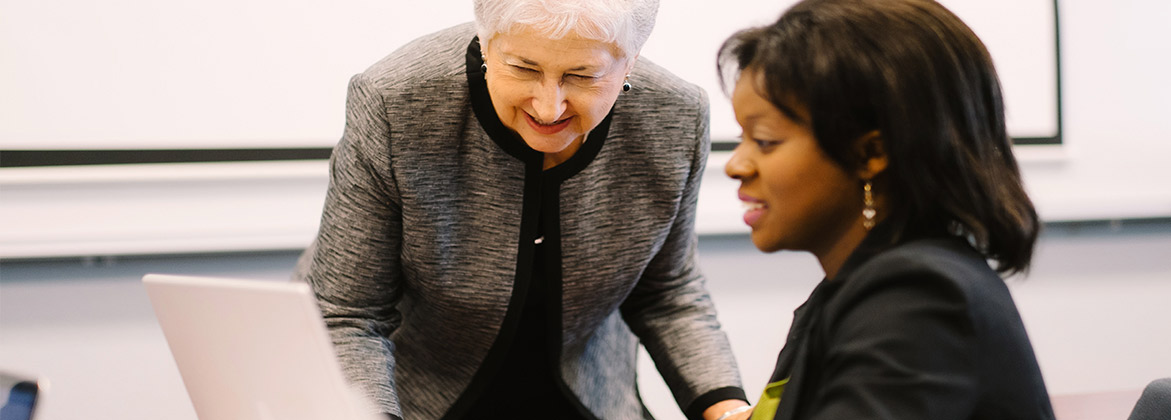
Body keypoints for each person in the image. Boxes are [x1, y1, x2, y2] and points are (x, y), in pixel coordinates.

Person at [293, 0, 750, 419]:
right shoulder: (397, 101)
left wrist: (726, 408)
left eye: (582, 75)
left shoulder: (674, 116)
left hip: (587, 397)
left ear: (630, 61)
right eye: (523, 68)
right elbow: (348, 315)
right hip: (411, 399)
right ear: (487, 44)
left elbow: (668, 294)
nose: (548, 107)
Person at [717, 0, 1055, 419]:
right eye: (741, 137)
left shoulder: (918, 299)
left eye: (765, 140)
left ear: (871, 153)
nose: (736, 165)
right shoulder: (853, 287)